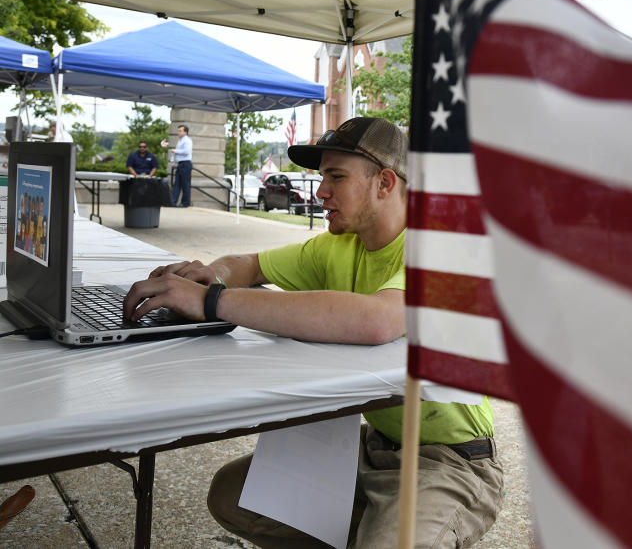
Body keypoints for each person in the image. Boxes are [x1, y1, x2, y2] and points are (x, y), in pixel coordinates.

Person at [122, 117, 502, 549]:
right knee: (233, 497)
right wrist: (210, 274)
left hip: (451, 459)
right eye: (322, 177)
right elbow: (250, 263)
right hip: (375, 447)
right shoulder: (338, 244)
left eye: (336, 177)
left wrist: (211, 301)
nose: (321, 192)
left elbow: (378, 321)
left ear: (385, 182)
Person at [170, 124, 193, 207]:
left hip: (185, 163)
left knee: (185, 184)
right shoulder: (181, 140)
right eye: (178, 130)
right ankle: (173, 202)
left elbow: (186, 151)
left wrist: (175, 151)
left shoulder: (187, 140)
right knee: (177, 184)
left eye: (180, 131)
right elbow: (180, 154)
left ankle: (185, 203)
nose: (178, 132)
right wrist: (175, 163)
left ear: (185, 132)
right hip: (180, 164)